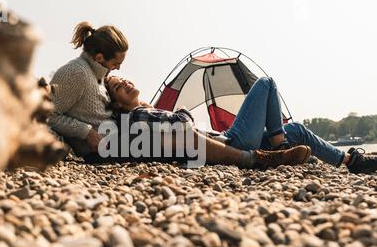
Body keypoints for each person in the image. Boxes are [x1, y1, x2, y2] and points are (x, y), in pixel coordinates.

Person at [106, 76, 377, 174]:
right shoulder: (139, 115)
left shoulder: (149, 109)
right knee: (266, 83)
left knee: (296, 129)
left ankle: (348, 161)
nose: (126, 83)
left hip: (226, 139)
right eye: (118, 87)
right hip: (228, 144)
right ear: (117, 103)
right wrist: (183, 112)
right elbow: (182, 125)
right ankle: (278, 144)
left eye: (125, 79)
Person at [48, 21, 128, 158]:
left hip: (118, 140)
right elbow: (48, 114)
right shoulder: (76, 72)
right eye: (115, 64)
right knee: (163, 141)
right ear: (99, 57)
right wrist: (87, 132)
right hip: (103, 150)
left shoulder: (98, 75)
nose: (118, 68)